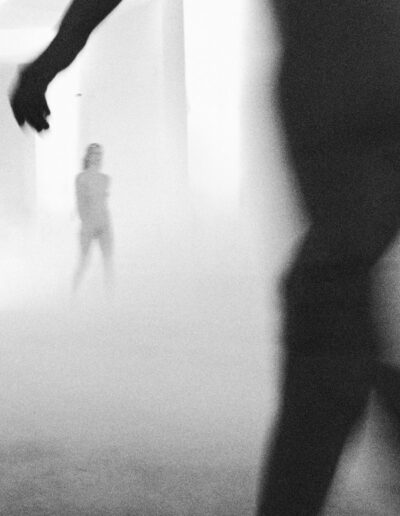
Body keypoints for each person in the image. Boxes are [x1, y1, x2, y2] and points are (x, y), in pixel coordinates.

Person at [9, 1, 400, 514]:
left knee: (332, 314)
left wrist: (56, 55)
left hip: (339, 84)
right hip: (349, 78)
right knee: (340, 307)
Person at [73, 143, 113, 294]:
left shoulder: (105, 179)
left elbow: (103, 202)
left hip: (104, 223)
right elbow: (80, 203)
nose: (97, 157)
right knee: (84, 261)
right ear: (88, 156)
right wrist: (87, 223)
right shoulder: (81, 178)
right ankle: (74, 295)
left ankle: (110, 297)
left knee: (108, 262)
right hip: (88, 224)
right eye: (95, 154)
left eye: (99, 154)